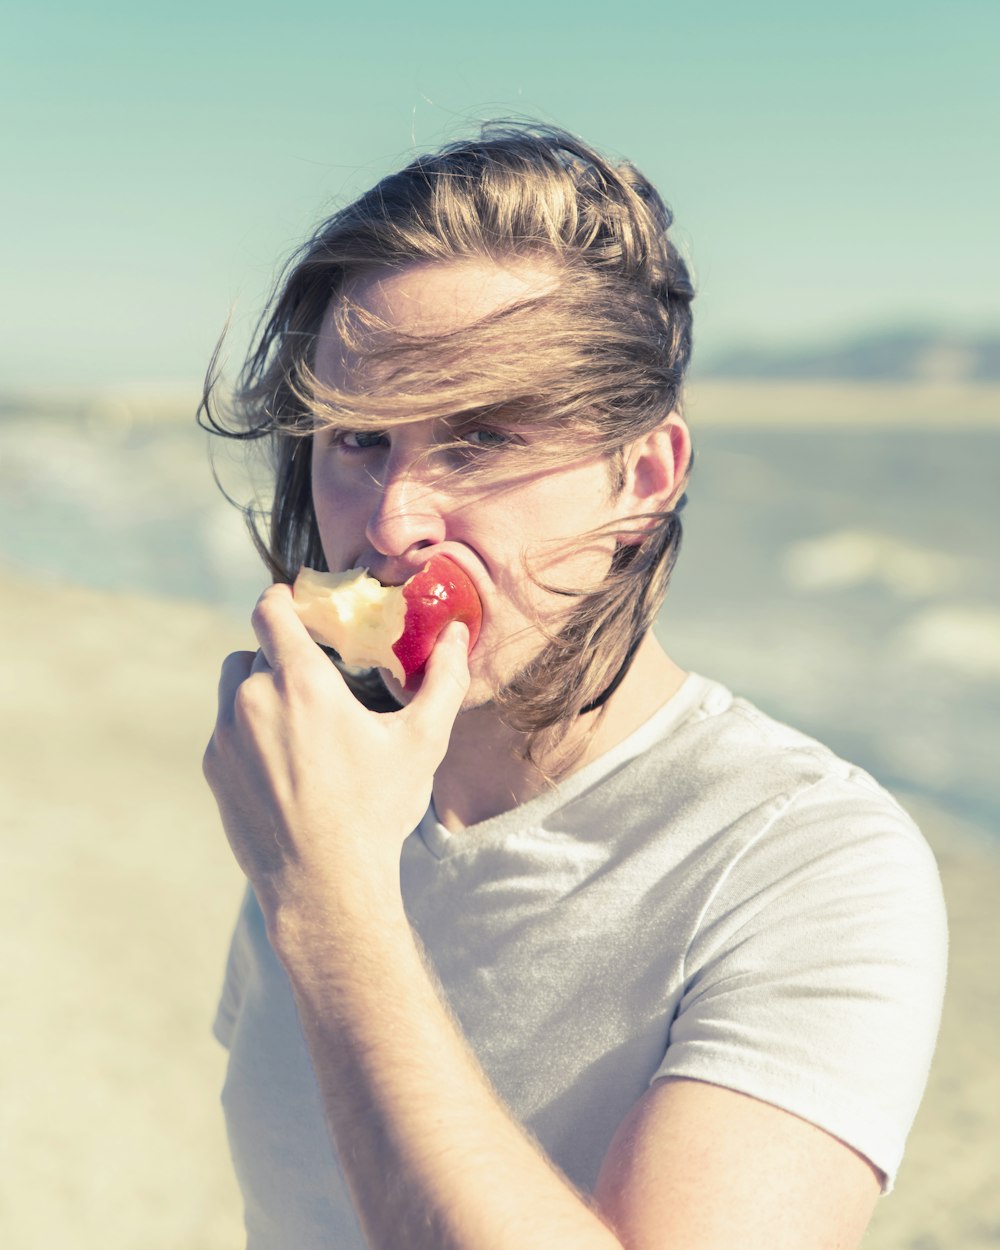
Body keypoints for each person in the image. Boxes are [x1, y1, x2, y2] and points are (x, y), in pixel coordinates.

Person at [202, 123, 947, 1250]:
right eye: (357, 440)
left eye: (481, 435)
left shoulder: (805, 861)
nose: (395, 523)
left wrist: (329, 903)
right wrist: (320, 869)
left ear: (640, 480)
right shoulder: (330, 800)